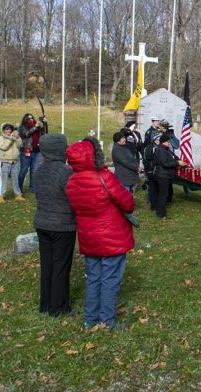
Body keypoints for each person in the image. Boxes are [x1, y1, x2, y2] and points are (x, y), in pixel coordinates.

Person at [66, 137, 135, 330]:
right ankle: (107, 320)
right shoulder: (104, 178)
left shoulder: (72, 181)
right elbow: (128, 202)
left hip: (89, 237)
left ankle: (90, 319)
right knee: (110, 279)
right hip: (112, 237)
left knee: (94, 278)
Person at [33, 134, 76, 317]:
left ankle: (46, 304)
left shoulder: (39, 169)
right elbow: (72, 196)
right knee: (60, 266)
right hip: (62, 224)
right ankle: (58, 308)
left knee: (48, 265)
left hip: (42, 222)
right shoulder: (64, 171)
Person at [152, 134, 185, 219]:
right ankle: (161, 214)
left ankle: (159, 210)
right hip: (162, 175)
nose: (169, 143)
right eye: (168, 141)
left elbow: (174, 157)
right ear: (164, 141)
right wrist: (177, 163)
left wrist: (180, 162)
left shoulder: (166, 149)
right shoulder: (161, 150)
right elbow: (165, 163)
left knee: (162, 194)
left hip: (165, 175)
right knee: (163, 195)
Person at [18, 112, 48, 194]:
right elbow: (26, 134)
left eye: (32, 118)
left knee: (34, 171)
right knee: (23, 171)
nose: (31, 119)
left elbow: (44, 134)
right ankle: (18, 189)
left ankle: (33, 188)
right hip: (26, 152)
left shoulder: (37, 127)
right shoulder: (22, 127)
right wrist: (35, 127)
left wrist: (45, 123)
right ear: (25, 120)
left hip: (37, 152)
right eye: (28, 118)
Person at [0, 122, 23, 203]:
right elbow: (3, 147)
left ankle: (18, 195)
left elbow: (20, 145)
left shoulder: (14, 137)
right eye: (6, 129)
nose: (8, 131)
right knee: (3, 180)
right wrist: (11, 139)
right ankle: (1, 195)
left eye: (10, 129)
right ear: (3, 130)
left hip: (15, 162)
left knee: (15, 179)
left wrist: (18, 138)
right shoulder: (0, 138)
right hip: (5, 162)